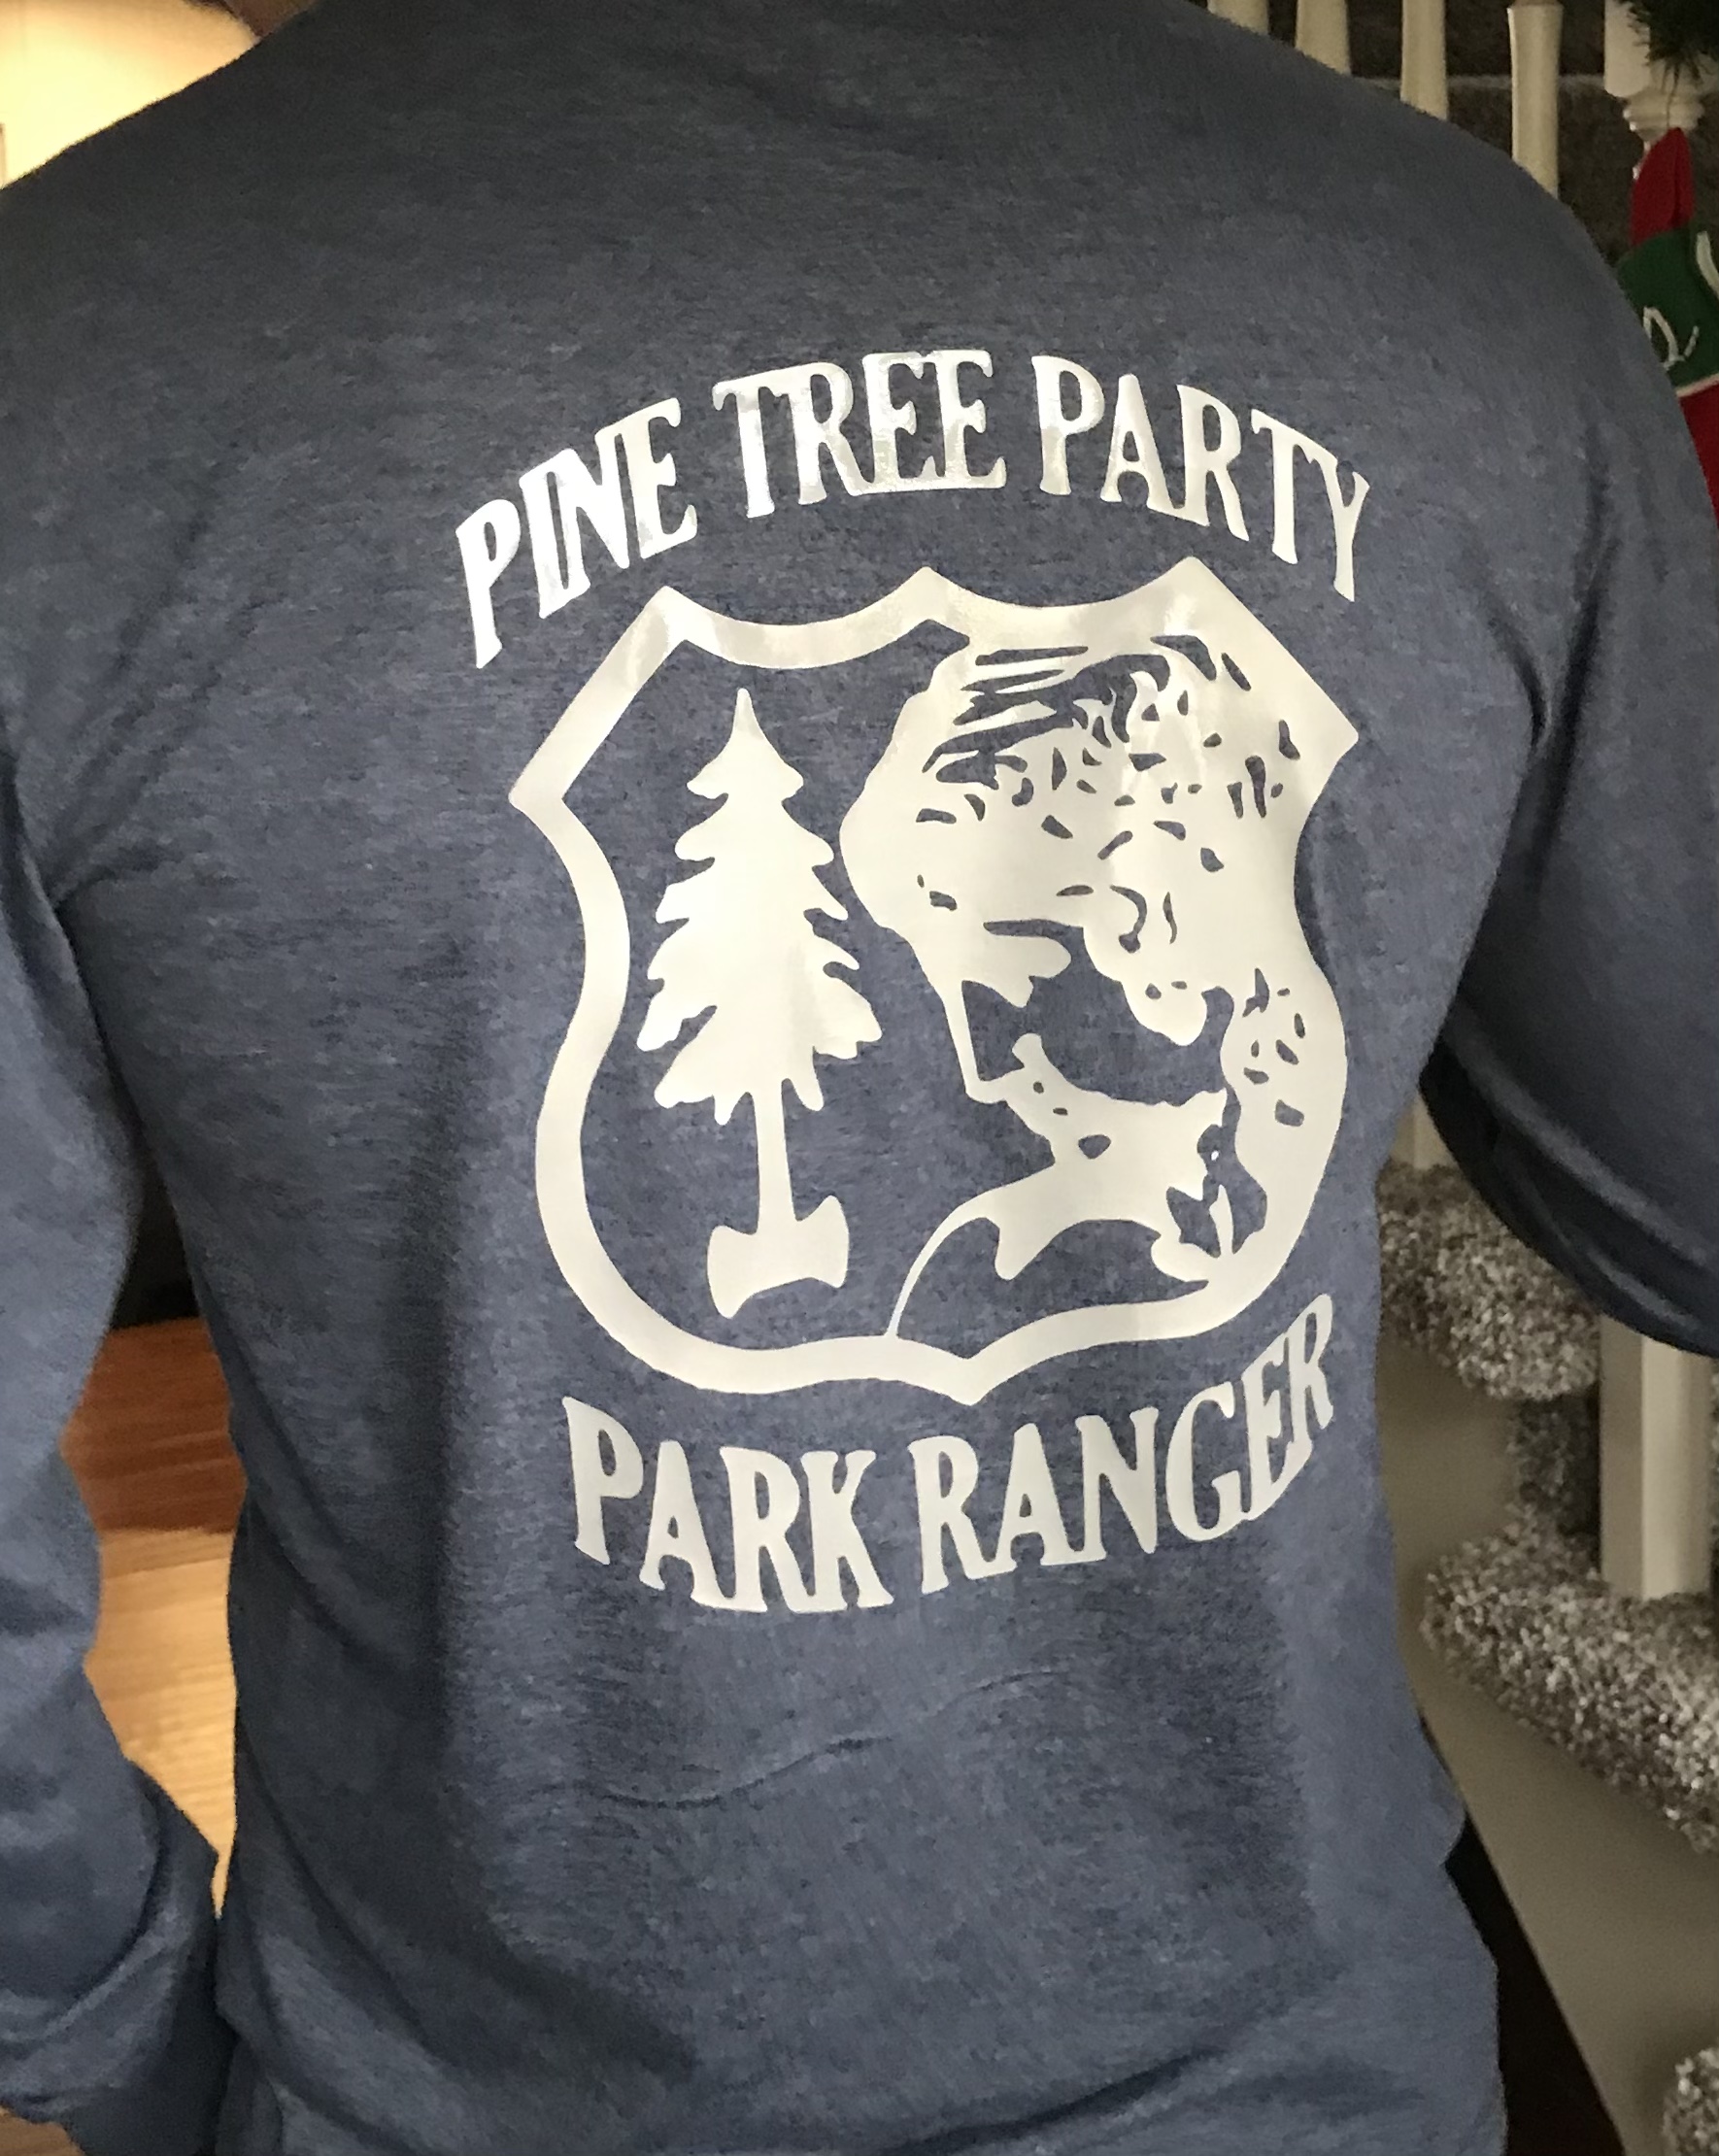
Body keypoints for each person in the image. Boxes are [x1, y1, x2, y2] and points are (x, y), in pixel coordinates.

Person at [2, 1, 1716, 2152]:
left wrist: (137, 2047)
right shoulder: (1463, 288)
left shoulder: (75, 355)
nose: (975, 1053)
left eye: (1017, 970)